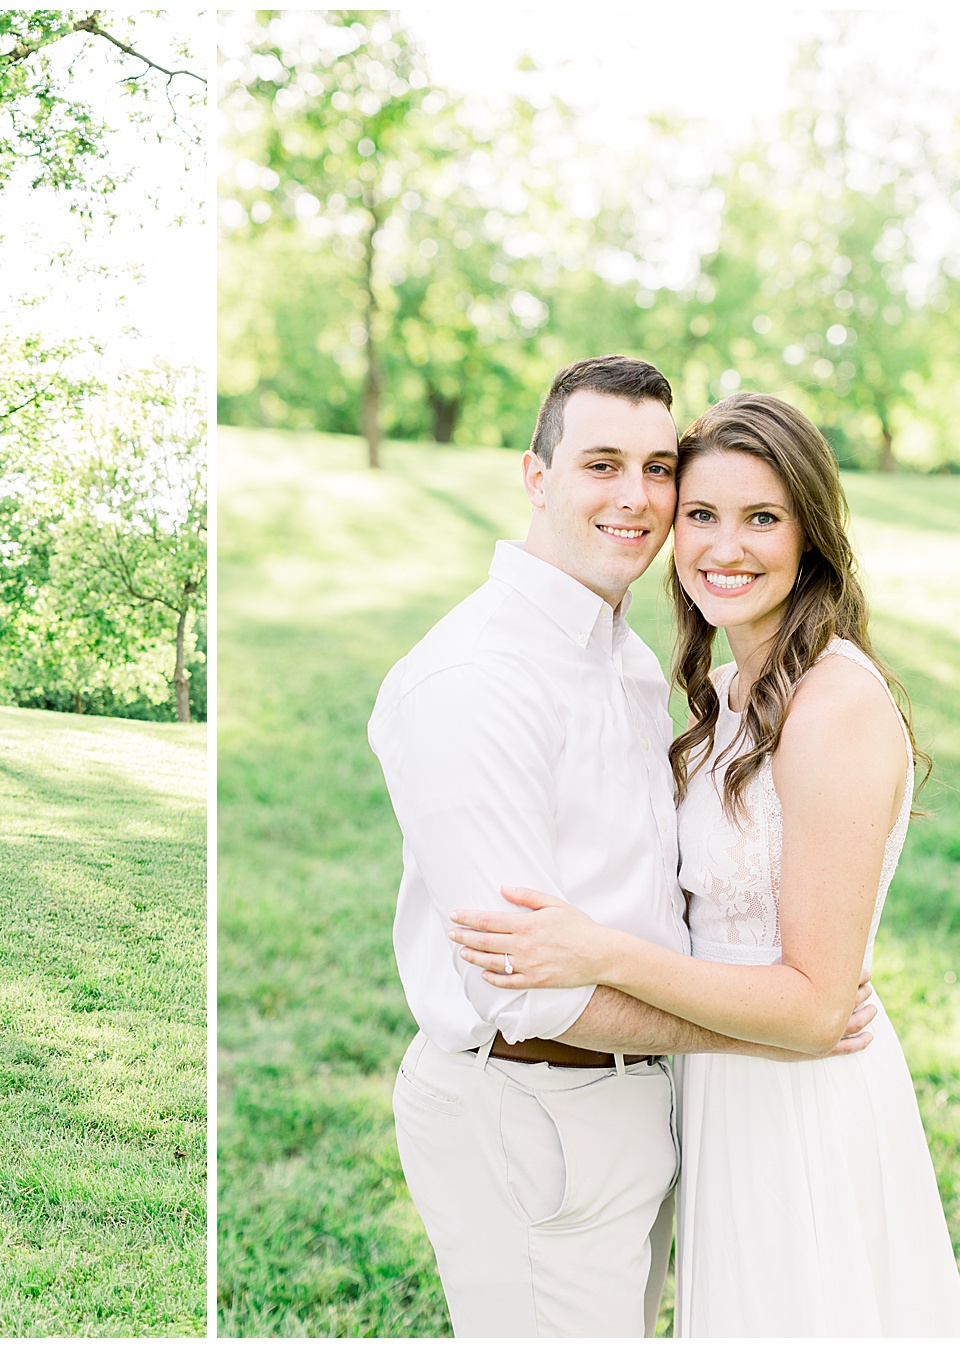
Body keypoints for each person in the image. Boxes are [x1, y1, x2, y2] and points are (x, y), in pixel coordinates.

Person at [368, 357, 876, 1338]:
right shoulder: (475, 681)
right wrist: (771, 1028)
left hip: (633, 1105)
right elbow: (532, 986)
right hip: (533, 1107)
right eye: (602, 463)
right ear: (536, 475)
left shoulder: (627, 658)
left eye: (657, 467)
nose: (637, 498)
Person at [447, 391, 960, 1336]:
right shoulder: (726, 693)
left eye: (762, 518)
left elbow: (817, 1004)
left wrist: (596, 951)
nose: (726, 547)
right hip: (718, 1082)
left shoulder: (833, 705)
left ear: (810, 535)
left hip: (802, 1093)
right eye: (702, 515)